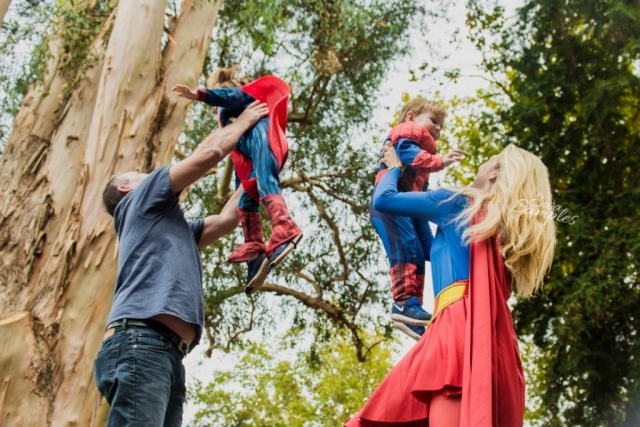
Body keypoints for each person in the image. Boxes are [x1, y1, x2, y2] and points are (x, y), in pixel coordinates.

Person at [347, 142, 556, 426]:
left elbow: (384, 200)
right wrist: (421, 194)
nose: (483, 163)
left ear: (494, 173)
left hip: (456, 327)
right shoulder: (500, 225)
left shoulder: (457, 203)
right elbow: (432, 249)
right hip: (493, 336)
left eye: (489, 159)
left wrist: (393, 169)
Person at [94, 101, 269, 427]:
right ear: (126, 187)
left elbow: (228, 219)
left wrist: (262, 165)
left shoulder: (169, 227)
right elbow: (209, 154)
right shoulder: (139, 199)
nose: (149, 174)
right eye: (140, 174)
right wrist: (244, 120)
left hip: (165, 352)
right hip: (141, 343)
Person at [172, 66, 302, 294]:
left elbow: (232, 96)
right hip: (252, 155)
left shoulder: (241, 96)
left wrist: (200, 94)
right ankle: (255, 253)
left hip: (263, 141)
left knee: (265, 180)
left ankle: (285, 225)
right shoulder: (235, 124)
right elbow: (240, 164)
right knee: (244, 202)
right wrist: (239, 188)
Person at [370, 98, 464, 340]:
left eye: (441, 126)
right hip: (392, 204)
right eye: (434, 121)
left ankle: (411, 310)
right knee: (406, 248)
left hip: (408, 207)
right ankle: (402, 301)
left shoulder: (425, 152)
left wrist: (434, 243)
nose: (438, 129)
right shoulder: (408, 131)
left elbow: (420, 189)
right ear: (411, 116)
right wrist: (439, 161)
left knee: (420, 252)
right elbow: (407, 153)